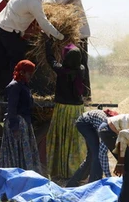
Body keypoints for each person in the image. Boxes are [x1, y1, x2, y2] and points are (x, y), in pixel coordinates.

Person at [0, 0, 64, 99]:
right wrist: (60, 36)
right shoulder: (33, 1)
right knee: (18, 63)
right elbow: (43, 22)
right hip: (8, 32)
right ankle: (10, 93)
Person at [45, 40, 86, 179]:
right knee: (75, 139)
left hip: (63, 109)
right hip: (77, 110)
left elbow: (50, 59)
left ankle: (60, 170)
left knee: (61, 137)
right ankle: (75, 171)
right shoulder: (81, 69)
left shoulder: (61, 70)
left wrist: (47, 42)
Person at [52, 0, 91, 99]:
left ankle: (85, 94)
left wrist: (39, 4)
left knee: (80, 64)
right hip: (75, 33)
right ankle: (81, 93)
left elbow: (56, 2)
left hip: (79, 33)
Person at [0, 59, 41, 173]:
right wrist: (14, 127)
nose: (31, 76)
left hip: (24, 122)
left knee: (24, 152)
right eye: (29, 73)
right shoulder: (14, 86)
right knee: (16, 152)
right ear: (22, 72)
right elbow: (12, 108)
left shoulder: (23, 85)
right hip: (17, 123)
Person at [66, 108, 119, 187]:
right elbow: (102, 154)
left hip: (92, 123)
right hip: (84, 123)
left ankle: (74, 182)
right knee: (96, 154)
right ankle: (94, 185)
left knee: (91, 156)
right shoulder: (106, 129)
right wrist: (108, 177)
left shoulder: (118, 126)